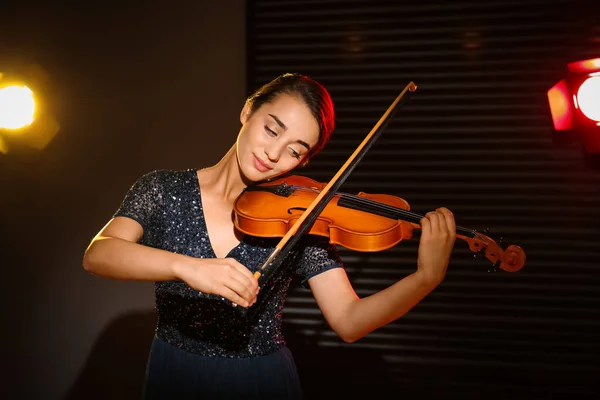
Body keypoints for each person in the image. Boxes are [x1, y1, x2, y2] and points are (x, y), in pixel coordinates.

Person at [82, 72, 457, 399]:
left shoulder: (300, 220)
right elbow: (99, 254)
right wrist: (188, 268)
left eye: (295, 150)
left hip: (258, 380)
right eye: (271, 129)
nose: (274, 153)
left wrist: (426, 278)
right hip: (175, 372)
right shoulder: (164, 188)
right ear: (248, 112)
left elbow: (349, 321)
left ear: (303, 162)